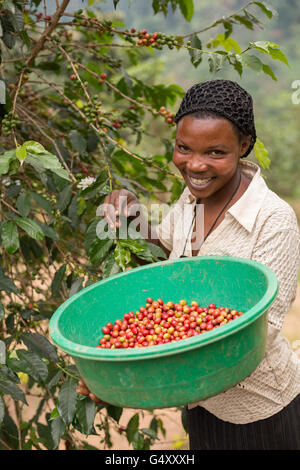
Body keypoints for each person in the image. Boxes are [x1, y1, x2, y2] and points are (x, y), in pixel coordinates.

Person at [77, 79, 300, 450]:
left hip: (259, 412)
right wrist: (133, 218)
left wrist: (138, 381)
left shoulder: (273, 219)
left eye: (215, 152)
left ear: (244, 146)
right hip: (201, 403)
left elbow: (260, 334)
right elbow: (170, 268)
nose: (194, 165)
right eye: (183, 148)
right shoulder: (193, 197)